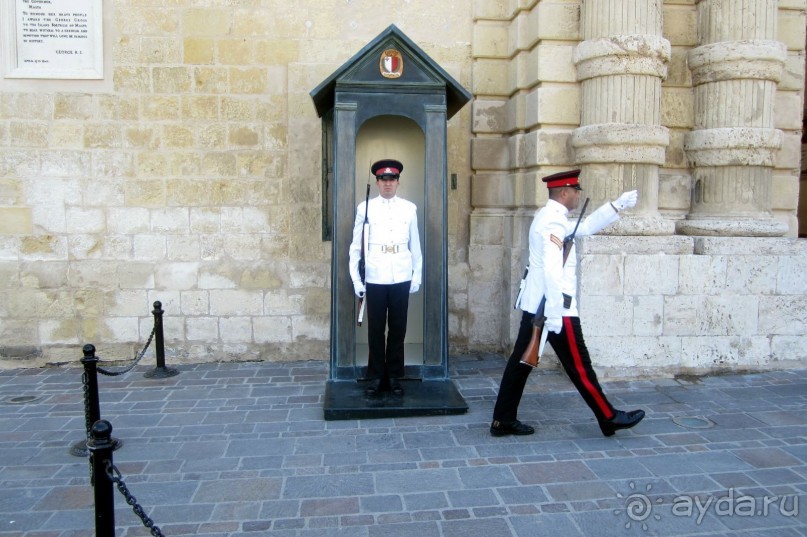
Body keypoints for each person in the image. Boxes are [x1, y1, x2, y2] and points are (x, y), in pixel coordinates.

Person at [491, 169, 645, 437]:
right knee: (579, 365)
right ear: (564, 192)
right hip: (553, 308)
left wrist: (616, 206)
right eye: (575, 191)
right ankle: (608, 417)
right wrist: (554, 314)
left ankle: (502, 420)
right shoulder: (552, 222)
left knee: (521, 363)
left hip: (540, 305)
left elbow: (583, 228)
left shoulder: (554, 217)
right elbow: (552, 270)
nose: (577, 196)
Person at [349, 159, 422, 397]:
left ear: (398, 182)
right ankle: (377, 376)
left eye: (391, 180)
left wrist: (416, 274)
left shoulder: (409, 208)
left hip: (401, 272)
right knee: (376, 330)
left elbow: (415, 245)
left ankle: (394, 376)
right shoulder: (365, 208)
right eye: (383, 180)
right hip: (375, 273)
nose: (387, 184)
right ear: (377, 182)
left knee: (398, 329)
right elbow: (355, 247)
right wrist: (356, 280)